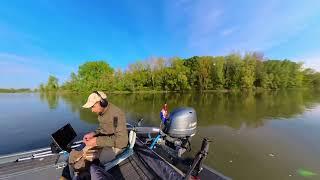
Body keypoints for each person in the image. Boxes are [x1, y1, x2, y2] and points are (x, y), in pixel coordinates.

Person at [81, 91, 129, 164]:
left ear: (102, 103)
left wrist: (97, 141)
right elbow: (104, 128)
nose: (92, 110)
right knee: (83, 152)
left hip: (118, 145)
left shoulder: (116, 116)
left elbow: (121, 140)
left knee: (93, 159)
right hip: (106, 140)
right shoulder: (102, 112)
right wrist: (93, 133)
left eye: (93, 106)